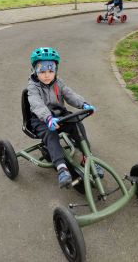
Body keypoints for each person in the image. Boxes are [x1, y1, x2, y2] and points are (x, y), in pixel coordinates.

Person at [27, 47, 104, 188]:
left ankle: (89, 158)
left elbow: (70, 94)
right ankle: (61, 167)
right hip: (41, 119)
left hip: (60, 115)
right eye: (42, 71)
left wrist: (84, 105)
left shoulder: (58, 83)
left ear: (55, 70)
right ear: (35, 71)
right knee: (51, 135)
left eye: (50, 71)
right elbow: (36, 104)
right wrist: (48, 118)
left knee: (77, 123)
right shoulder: (33, 87)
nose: (47, 75)